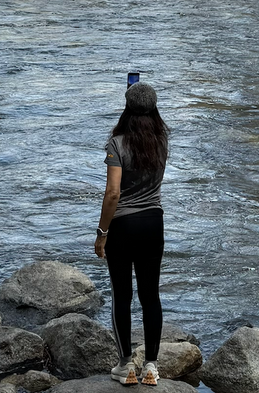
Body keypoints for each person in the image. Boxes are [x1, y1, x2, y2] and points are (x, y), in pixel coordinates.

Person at [94, 81, 170, 386]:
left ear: (127, 108)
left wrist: (102, 233)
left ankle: (125, 366)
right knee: (151, 296)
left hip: (124, 226)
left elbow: (113, 193)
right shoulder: (162, 140)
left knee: (121, 296)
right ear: (154, 109)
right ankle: (151, 364)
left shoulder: (117, 143)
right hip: (154, 222)